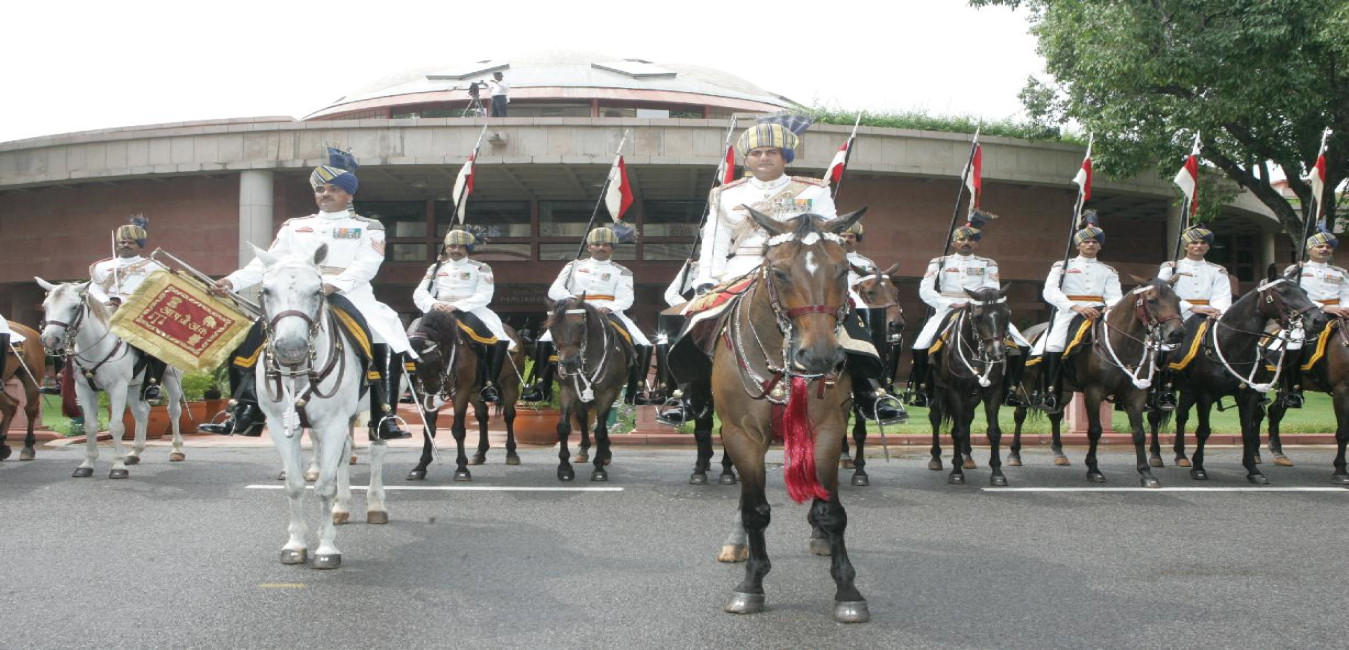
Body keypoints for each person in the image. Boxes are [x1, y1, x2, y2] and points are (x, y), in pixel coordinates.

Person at [669, 122, 902, 425]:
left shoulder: (814, 190)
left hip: (800, 269)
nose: (763, 158)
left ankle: (871, 391)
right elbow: (715, 239)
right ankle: (688, 395)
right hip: (741, 268)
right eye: (756, 153)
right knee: (695, 317)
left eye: (771, 152)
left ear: (785, 157)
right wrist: (707, 280)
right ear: (747, 159)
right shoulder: (725, 194)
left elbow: (829, 236)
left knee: (857, 311)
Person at [200, 163, 414, 439]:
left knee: (384, 334)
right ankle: (245, 411)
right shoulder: (295, 226)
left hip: (349, 294)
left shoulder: (367, 227)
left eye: (333, 189)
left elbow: (368, 264)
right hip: (299, 294)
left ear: (349, 195)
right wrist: (232, 282)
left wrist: (332, 285)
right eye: (320, 189)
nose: (325, 194)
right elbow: (266, 262)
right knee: (250, 336)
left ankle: (384, 415)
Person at [908, 211, 1031, 408]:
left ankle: (1011, 389)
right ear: (954, 243)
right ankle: (923, 390)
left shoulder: (988, 263)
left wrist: (975, 302)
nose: (966, 242)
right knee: (921, 345)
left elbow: (992, 289)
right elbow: (925, 290)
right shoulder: (939, 262)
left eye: (971, 240)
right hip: (947, 308)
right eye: (962, 239)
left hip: (980, 309)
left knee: (1021, 344)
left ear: (977, 244)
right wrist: (949, 303)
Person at [521, 227, 655, 405]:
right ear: (589, 247)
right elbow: (554, 290)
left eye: (606, 244)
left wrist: (609, 307)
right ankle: (541, 388)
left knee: (644, 343)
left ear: (612, 248)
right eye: (596, 244)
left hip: (607, 311)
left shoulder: (622, 271)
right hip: (576, 311)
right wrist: (571, 299)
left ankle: (635, 391)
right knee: (544, 340)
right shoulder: (573, 266)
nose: (601, 248)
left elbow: (627, 298)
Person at [1030, 213, 1123, 414]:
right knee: (1053, 344)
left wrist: (1109, 307)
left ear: (1100, 246)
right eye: (1086, 242)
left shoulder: (1108, 271)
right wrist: (1075, 307)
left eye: (1094, 242)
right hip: (1069, 312)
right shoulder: (1062, 266)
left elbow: (1115, 296)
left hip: (1099, 312)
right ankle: (1051, 392)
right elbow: (1050, 291)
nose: (1090, 245)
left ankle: (1124, 390)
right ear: (1078, 245)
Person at [412, 229, 513, 403]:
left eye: (460, 247)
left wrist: (457, 305)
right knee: (413, 336)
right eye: (452, 246)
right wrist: (434, 303)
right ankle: (417, 380)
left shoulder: (481, 268)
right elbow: (420, 292)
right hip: (438, 309)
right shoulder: (436, 268)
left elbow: (485, 294)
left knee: (497, 337)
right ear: (446, 247)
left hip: (471, 309)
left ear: (468, 249)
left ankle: (489, 384)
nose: (455, 250)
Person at [88, 215, 172, 401]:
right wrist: (105, 301)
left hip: (137, 313)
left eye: (131, 242)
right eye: (122, 242)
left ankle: (152, 384)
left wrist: (129, 303)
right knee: (70, 333)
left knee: (156, 342)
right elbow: (94, 288)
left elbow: (160, 291)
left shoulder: (154, 267)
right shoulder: (102, 266)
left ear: (140, 245)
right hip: (105, 311)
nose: (125, 245)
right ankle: (65, 380)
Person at [1152, 225, 1231, 410]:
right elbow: (1162, 293)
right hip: (1177, 315)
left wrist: (1217, 311)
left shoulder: (1217, 270)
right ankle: (1164, 390)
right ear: (1186, 245)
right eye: (1194, 242)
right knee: (1163, 347)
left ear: (1208, 247)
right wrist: (1192, 307)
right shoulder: (1170, 267)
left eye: (1203, 243)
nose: (1198, 246)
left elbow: (1223, 295)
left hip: (1209, 317)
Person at [1276, 229, 1349, 408]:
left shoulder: (1339, 273)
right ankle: (1292, 388)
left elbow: (1346, 294)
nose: (1324, 249)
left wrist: (1345, 307)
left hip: (1339, 315)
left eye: (1328, 247)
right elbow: (1291, 295)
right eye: (1319, 246)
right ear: (1309, 250)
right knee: (1294, 340)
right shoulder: (1296, 271)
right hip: (1307, 316)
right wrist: (1323, 307)